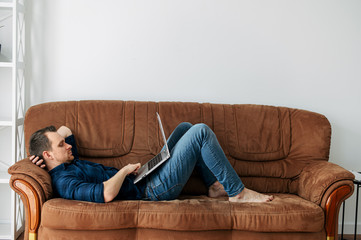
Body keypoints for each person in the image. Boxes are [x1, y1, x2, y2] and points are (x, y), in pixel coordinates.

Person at [29, 123, 274, 203]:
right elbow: (104, 194)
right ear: (50, 155)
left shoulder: (68, 161)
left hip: (144, 178)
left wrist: (44, 153)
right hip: (151, 190)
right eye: (62, 145)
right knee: (200, 131)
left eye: (65, 142)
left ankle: (214, 185)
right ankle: (237, 192)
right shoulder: (66, 182)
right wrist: (125, 170)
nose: (68, 144)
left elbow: (64, 129)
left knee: (184, 128)